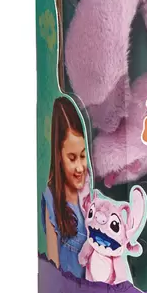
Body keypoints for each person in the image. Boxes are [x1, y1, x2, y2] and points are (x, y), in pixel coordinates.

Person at [41, 96, 89, 278]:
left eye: (83, 156)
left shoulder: (92, 191)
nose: (80, 168)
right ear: (59, 157)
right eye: (72, 158)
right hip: (71, 291)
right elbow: (53, 267)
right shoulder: (52, 200)